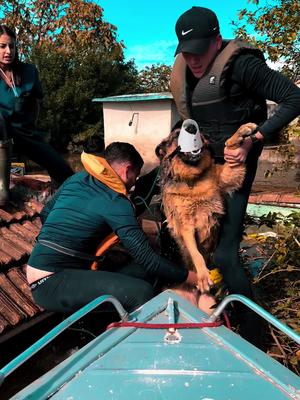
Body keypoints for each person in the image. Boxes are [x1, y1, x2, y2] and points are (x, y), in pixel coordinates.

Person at [170, 6, 300, 345]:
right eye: (186, 52)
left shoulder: (243, 64)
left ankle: (256, 336)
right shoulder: (184, 70)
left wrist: (253, 141)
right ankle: (214, 306)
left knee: (226, 253)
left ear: (216, 41)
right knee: (191, 237)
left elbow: (293, 98)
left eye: (199, 51)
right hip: (204, 160)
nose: (193, 60)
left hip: (237, 158)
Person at [26, 141, 198, 314]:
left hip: (45, 268)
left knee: (144, 273)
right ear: (127, 170)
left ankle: (109, 321)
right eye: (135, 177)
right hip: (51, 281)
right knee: (142, 292)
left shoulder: (78, 178)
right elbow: (149, 259)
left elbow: (46, 213)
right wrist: (193, 277)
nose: (133, 184)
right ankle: (133, 339)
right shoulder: (116, 203)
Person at [0, 25, 73, 205]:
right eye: (2, 46)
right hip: (0, 134)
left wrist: (32, 128)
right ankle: (2, 189)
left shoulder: (29, 71)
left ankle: (55, 201)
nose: (8, 51)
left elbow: (36, 103)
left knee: (64, 171)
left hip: (24, 132)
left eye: (12, 46)